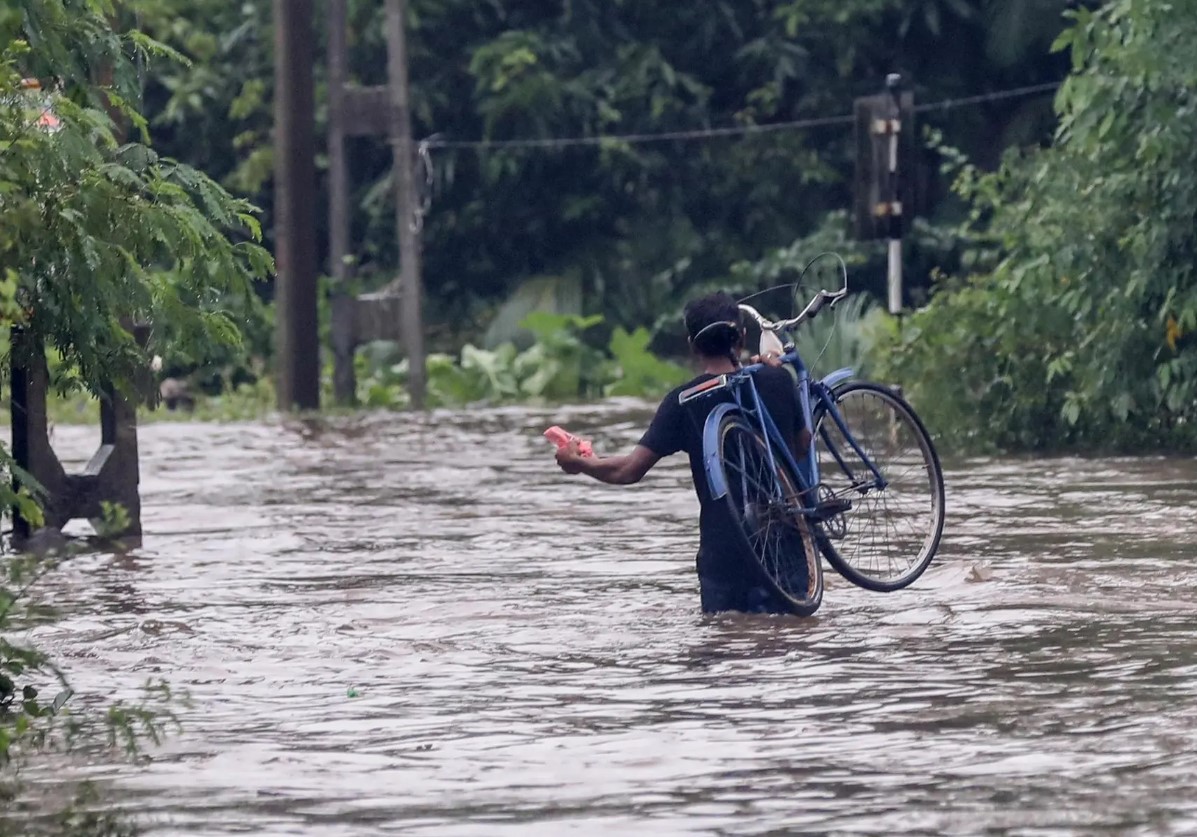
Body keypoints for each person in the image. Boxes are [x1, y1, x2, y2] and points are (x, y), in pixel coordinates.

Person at [552, 291, 813, 615]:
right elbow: (803, 444)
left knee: (726, 647)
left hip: (724, 556)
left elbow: (628, 471)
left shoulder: (684, 400)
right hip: (784, 546)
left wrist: (581, 463)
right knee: (789, 644)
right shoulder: (777, 379)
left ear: (692, 345)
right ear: (742, 337)